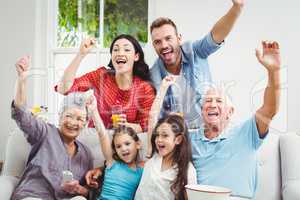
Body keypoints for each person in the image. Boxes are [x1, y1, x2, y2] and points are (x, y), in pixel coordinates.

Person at [190, 41, 281, 199]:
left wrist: (273, 72)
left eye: (219, 101)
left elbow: (270, 109)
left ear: (230, 112)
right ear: (202, 110)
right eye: (207, 101)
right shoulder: (190, 138)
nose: (212, 105)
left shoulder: (246, 132)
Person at [150, 0, 245, 129]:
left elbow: (215, 36)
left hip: (209, 131)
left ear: (179, 39)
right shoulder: (154, 75)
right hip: (179, 139)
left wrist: (236, 8)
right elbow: (155, 117)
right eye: (158, 42)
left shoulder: (195, 51)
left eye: (168, 38)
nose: (164, 45)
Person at [11, 56, 94, 200]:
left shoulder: (86, 155)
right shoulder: (44, 132)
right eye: (69, 116)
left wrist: (79, 190)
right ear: (60, 116)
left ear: (85, 124)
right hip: (34, 195)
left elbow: (89, 191)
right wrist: (22, 79)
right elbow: (21, 114)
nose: (73, 122)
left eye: (80, 119)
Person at [56, 34, 155, 133]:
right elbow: (64, 89)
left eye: (127, 50)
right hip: (94, 140)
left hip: (124, 145)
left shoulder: (145, 89)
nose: (120, 53)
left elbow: (145, 126)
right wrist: (81, 54)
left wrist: (127, 127)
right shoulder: (101, 76)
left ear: (136, 56)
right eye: (115, 50)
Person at [134, 75, 197, 200]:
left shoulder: (187, 170)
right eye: (157, 135)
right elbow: (152, 117)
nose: (159, 140)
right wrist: (163, 88)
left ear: (178, 139)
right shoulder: (153, 155)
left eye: (165, 135)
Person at [85, 95, 143, 200]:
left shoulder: (142, 168)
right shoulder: (112, 162)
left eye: (127, 144)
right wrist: (94, 111)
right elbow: (102, 134)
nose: (123, 149)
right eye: (118, 146)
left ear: (138, 144)